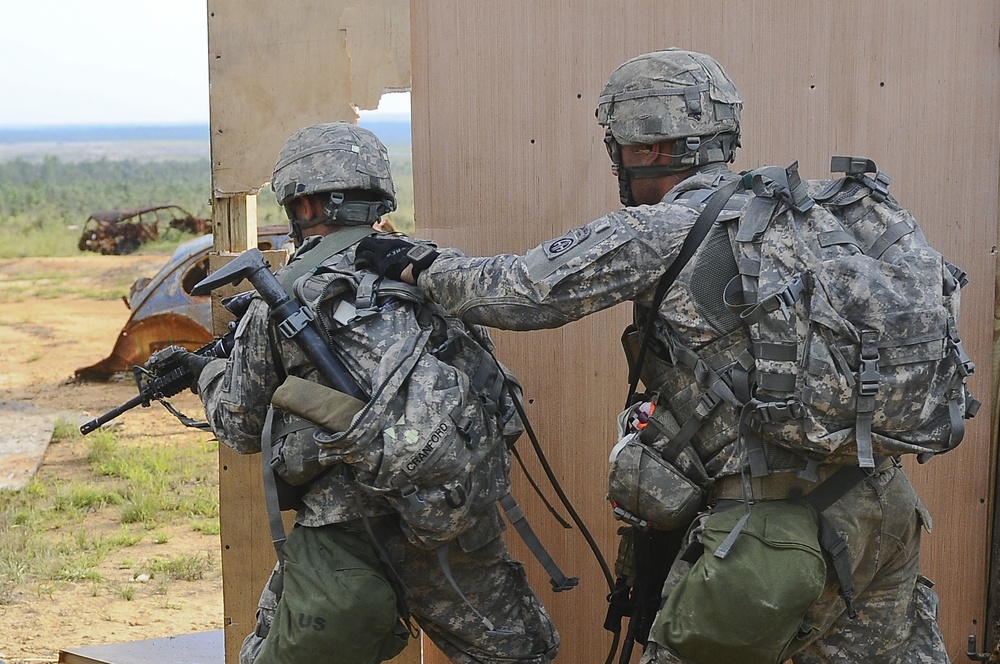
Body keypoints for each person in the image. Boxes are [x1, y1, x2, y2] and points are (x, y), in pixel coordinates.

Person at [353, 49, 951, 663]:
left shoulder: (667, 229)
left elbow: (520, 292)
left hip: (772, 534)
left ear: (648, 150)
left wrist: (412, 261)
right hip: (883, 508)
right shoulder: (819, 216)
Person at [149, 122, 558, 664]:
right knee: (517, 655)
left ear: (301, 202)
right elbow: (481, 374)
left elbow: (240, 426)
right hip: (449, 511)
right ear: (378, 194)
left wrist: (204, 372)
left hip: (344, 533)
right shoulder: (426, 269)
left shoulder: (284, 296)